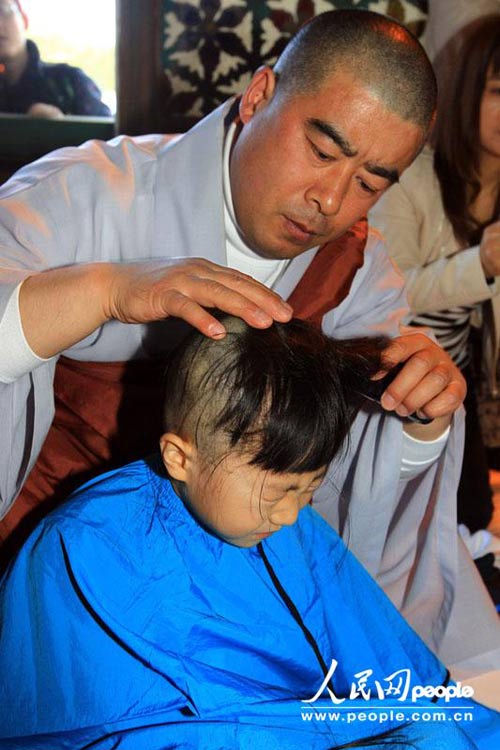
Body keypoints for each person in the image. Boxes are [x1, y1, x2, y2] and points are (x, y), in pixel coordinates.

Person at [0, 9, 497, 674]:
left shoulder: (355, 270)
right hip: (59, 564)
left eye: (370, 182)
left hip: (233, 589)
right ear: (259, 95)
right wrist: (105, 292)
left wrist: (420, 417)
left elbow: (361, 473)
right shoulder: (85, 196)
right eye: (322, 152)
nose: (331, 201)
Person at [0, 315, 499, 750]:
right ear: (179, 457)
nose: (291, 516)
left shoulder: (286, 522)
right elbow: (76, 724)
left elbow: (380, 664)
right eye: (279, 493)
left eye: (309, 489)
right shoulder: (79, 546)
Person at [369, 16, 500, 541]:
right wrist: (481, 264)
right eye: (498, 93)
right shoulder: (413, 177)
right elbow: (389, 292)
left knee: (470, 519)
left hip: (461, 373)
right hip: (394, 372)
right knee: (405, 525)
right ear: (468, 95)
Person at [0, 0, 111, 118]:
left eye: (3, 11)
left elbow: (109, 127)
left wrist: (61, 125)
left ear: (24, 20)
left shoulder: (70, 82)